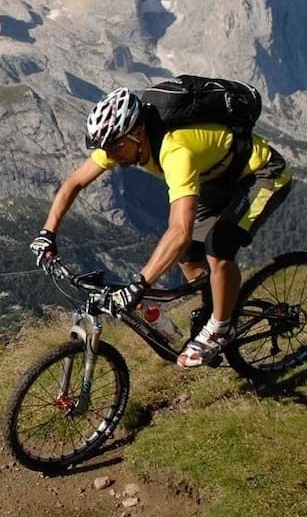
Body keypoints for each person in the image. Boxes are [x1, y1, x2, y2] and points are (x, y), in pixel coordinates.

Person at [30, 85, 292, 368]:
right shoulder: (119, 142)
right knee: (188, 255)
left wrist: (140, 283)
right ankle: (216, 307)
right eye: (106, 149)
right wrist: (47, 233)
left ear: (137, 133)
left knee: (219, 246)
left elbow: (179, 231)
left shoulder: (175, 151)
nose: (110, 154)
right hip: (216, 178)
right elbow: (74, 183)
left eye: (115, 147)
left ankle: (221, 327)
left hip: (261, 173)